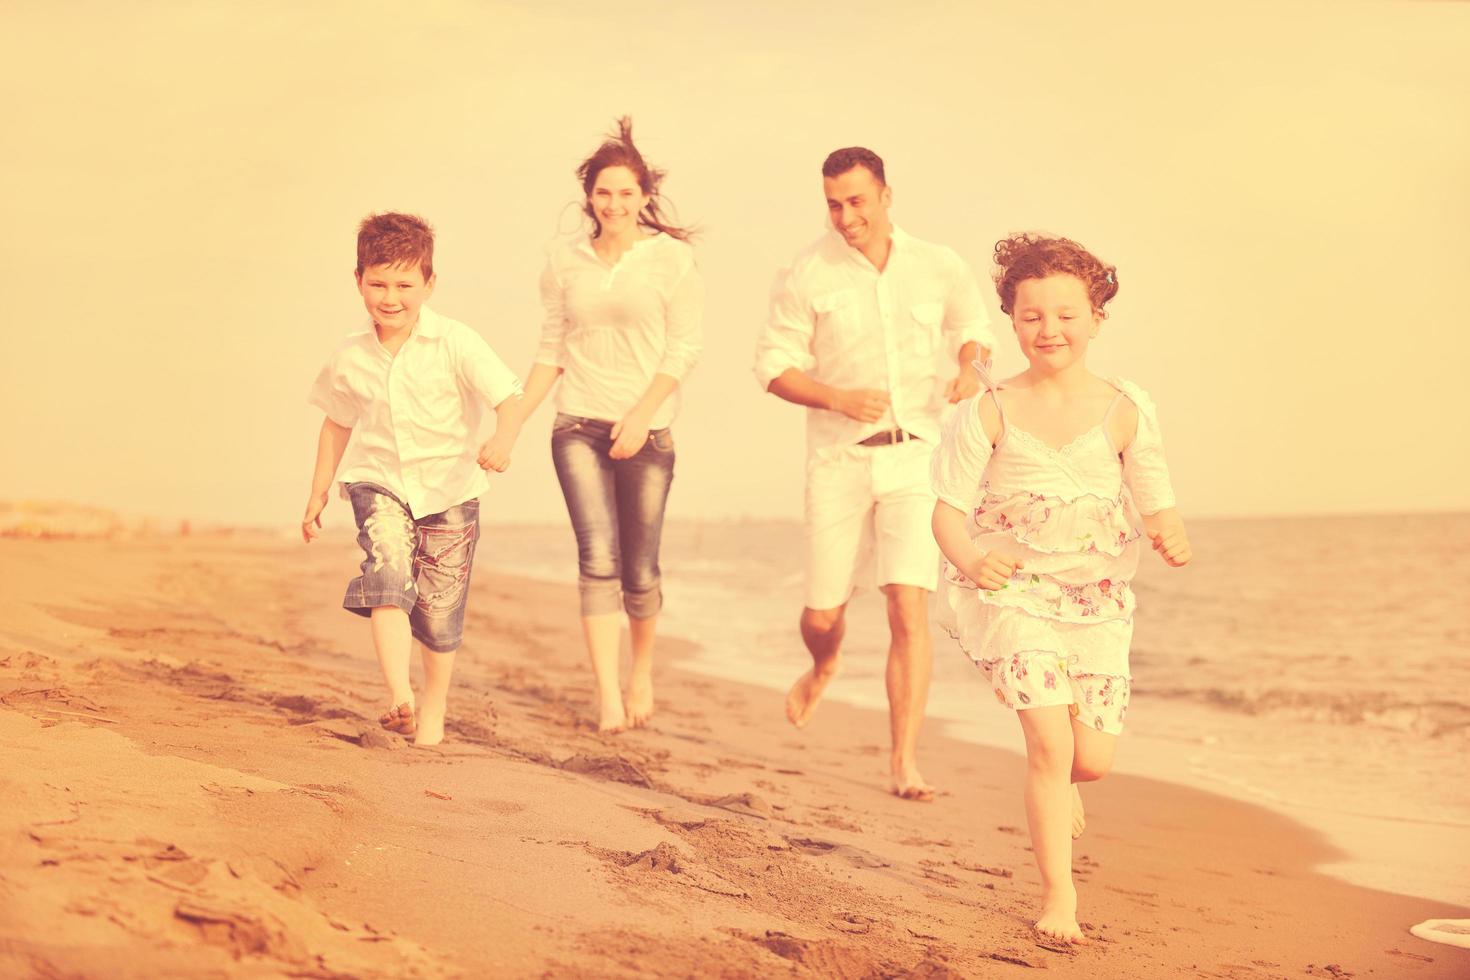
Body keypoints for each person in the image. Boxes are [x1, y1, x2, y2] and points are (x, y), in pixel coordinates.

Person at [929, 233, 1192, 943]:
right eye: (1031, 315)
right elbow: (947, 512)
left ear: (1097, 316)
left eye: (1066, 314)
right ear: (1010, 320)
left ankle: (1068, 781)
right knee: (1048, 745)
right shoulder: (988, 407)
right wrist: (972, 560)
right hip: (1014, 595)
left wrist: (1169, 532)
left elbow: (1155, 495)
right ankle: (1059, 897)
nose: (1049, 330)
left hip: (1097, 603)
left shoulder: (1124, 406)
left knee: (1090, 762)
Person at [754, 146, 995, 800]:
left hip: (918, 455)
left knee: (906, 604)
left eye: (857, 201)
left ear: (886, 196)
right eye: (834, 203)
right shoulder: (806, 271)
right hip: (839, 457)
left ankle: (903, 762)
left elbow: (972, 325)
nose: (846, 216)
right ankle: (823, 663)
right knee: (822, 612)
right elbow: (773, 366)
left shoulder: (938, 264)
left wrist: (970, 365)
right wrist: (836, 397)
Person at [302, 212, 524, 747]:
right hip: (378, 483)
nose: (390, 297)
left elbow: (508, 398)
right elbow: (336, 422)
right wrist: (317, 491)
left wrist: (503, 440)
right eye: (377, 283)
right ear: (358, 281)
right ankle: (400, 696)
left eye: (404, 284)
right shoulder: (350, 355)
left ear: (429, 284)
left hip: (451, 491)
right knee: (388, 576)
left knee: (440, 613)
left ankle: (434, 708)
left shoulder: (455, 341)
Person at [516, 117, 703, 733]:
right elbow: (552, 348)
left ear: (645, 196)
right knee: (598, 559)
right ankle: (607, 695)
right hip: (578, 425)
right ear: (588, 196)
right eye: (603, 192)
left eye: (627, 193)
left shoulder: (673, 260)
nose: (615, 204)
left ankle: (641, 671)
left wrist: (642, 416)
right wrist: (511, 421)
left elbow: (683, 349)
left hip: (648, 431)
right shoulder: (561, 260)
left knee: (641, 569)